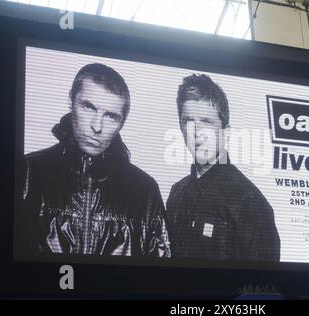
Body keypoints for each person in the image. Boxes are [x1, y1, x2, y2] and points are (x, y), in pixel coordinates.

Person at [15, 63, 170, 257]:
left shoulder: (145, 190)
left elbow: (159, 276)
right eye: (88, 107)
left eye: (111, 116)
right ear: (70, 101)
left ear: (122, 122)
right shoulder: (25, 172)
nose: (97, 126)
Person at [166, 73, 280, 261]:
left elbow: (264, 286)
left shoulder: (251, 203)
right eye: (188, 121)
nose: (197, 133)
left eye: (206, 122)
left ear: (226, 133)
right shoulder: (177, 193)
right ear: (180, 128)